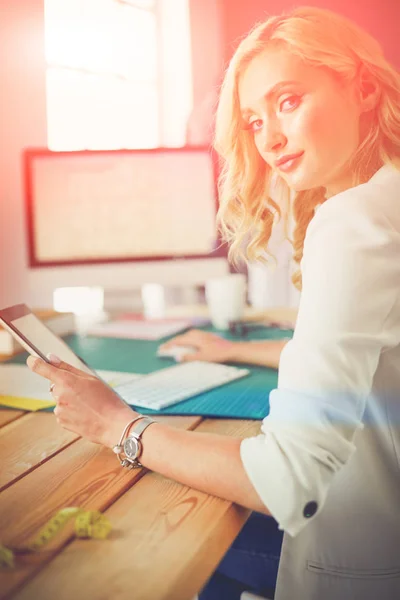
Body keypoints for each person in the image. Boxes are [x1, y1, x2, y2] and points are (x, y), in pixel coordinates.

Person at [27, 6, 400, 600]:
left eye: (287, 101)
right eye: (253, 122)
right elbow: (375, 361)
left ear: (360, 87)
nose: (270, 139)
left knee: (143, 538)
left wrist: (118, 423)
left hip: (360, 560)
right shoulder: (384, 197)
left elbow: (287, 479)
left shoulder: (352, 223)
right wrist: (232, 349)